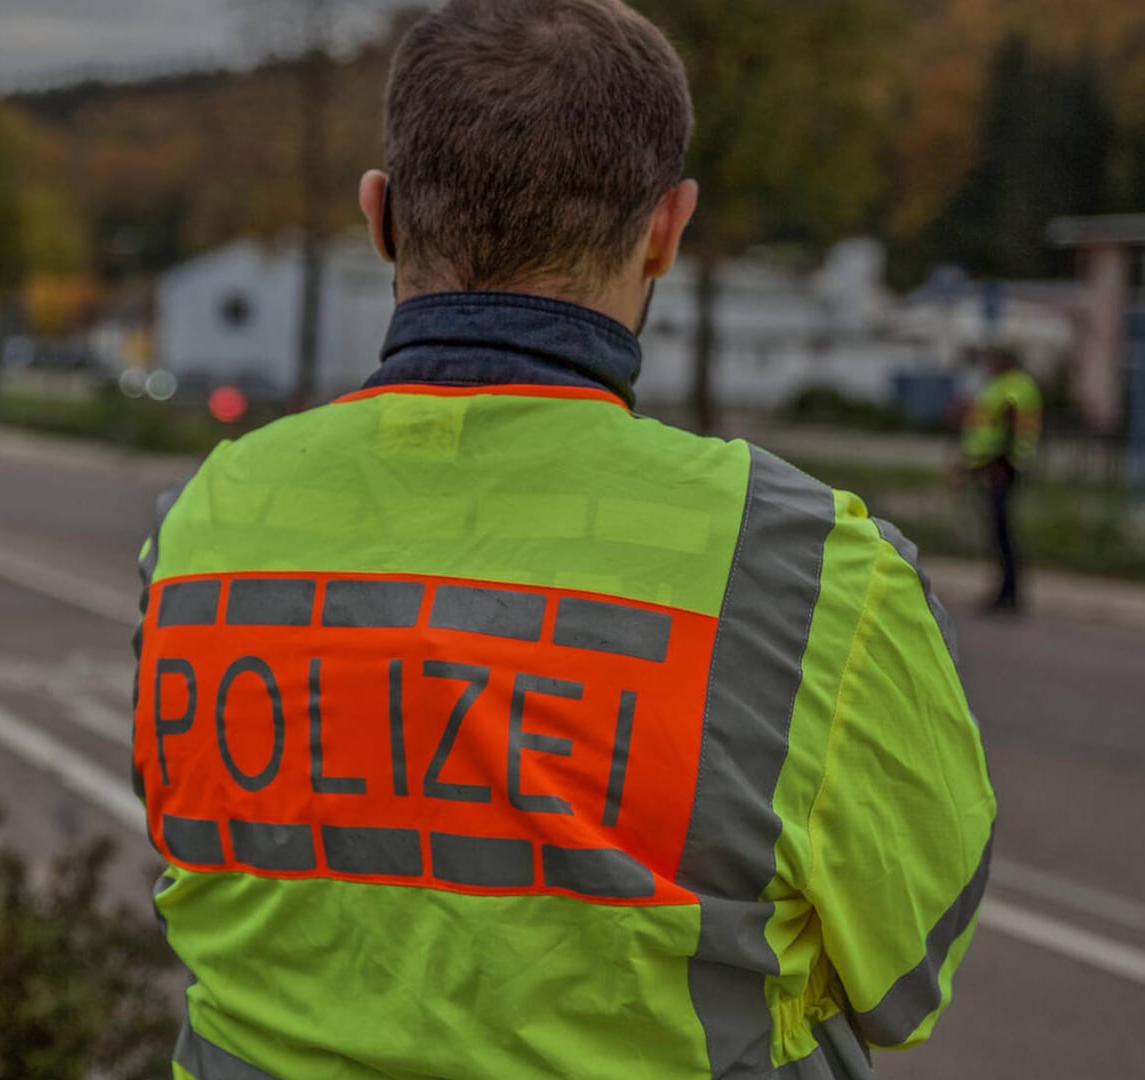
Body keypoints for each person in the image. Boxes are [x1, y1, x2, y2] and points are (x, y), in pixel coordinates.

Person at [133, 2, 994, 1076]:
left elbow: (193, 889)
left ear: (381, 216)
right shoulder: (816, 572)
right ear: (667, 229)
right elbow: (905, 981)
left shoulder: (205, 525)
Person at [960, 347, 1042, 614]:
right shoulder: (1001, 386)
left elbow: (1007, 429)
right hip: (997, 466)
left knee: (1003, 534)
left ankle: (1009, 594)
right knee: (999, 533)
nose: (988, 365)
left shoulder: (1014, 387)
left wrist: (997, 466)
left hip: (1003, 468)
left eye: (992, 359)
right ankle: (1005, 592)